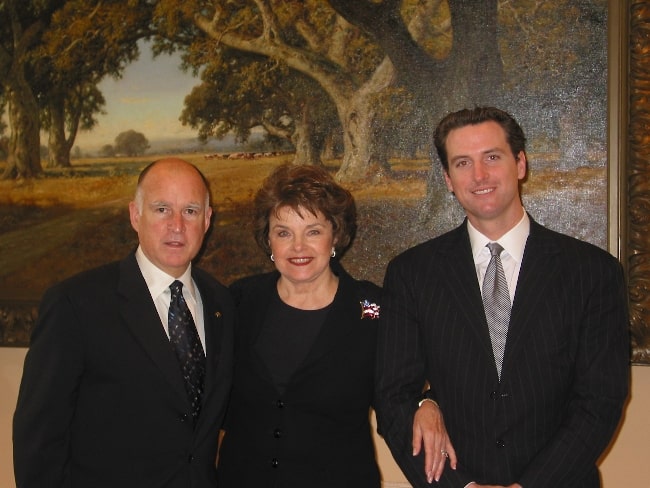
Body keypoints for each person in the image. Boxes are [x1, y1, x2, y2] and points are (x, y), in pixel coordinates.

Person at [375, 106, 630, 488]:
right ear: (447, 178)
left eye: (492, 157)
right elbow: (394, 398)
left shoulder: (593, 271)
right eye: (463, 163)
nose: (479, 176)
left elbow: (600, 400)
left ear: (521, 163)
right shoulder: (412, 274)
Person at [13, 158, 234, 488]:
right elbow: (39, 439)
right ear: (135, 215)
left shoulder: (221, 303)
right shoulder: (76, 303)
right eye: (162, 209)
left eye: (190, 211)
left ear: (207, 220)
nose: (177, 225)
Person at [216, 163, 382, 488]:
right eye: (283, 233)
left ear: (335, 235)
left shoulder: (372, 310)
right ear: (269, 241)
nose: (298, 247)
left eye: (313, 231)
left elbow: (403, 391)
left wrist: (428, 401)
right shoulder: (239, 301)